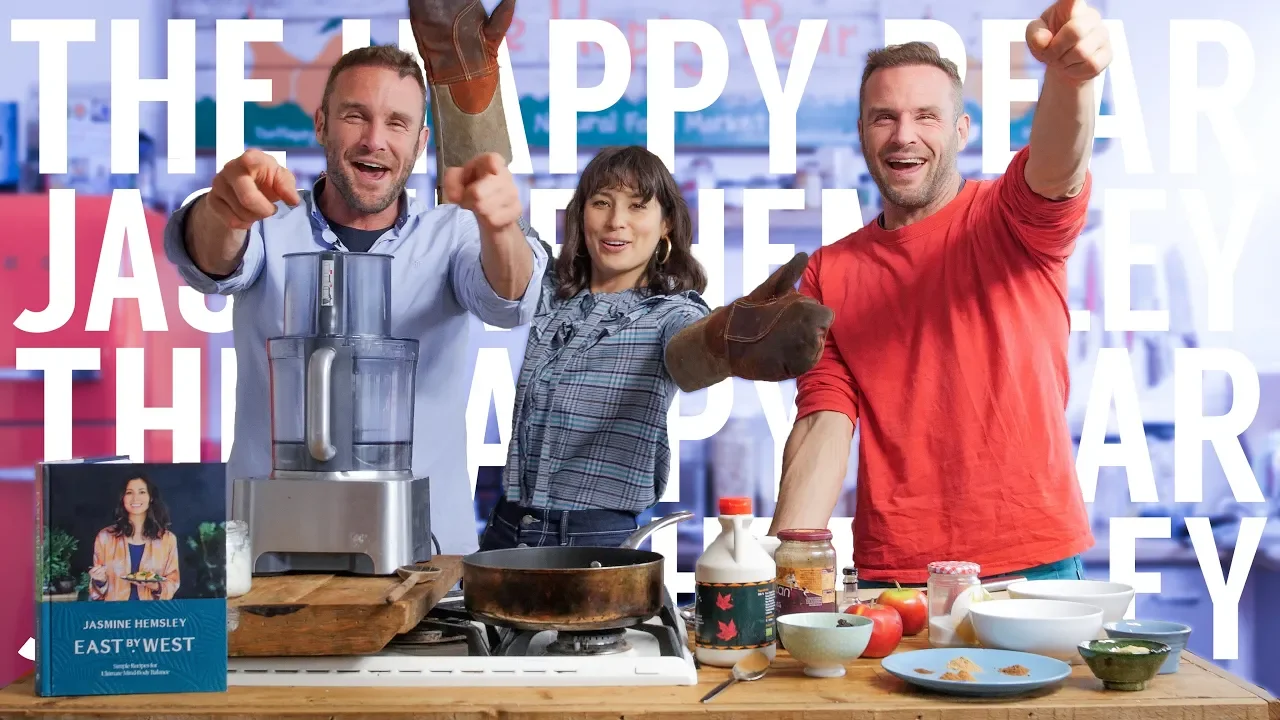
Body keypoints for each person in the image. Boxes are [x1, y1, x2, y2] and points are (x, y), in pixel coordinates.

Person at [768, 0, 1113, 587]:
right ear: (861, 132)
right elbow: (824, 418)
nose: (904, 135)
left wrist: (1071, 79)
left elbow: (1057, 168)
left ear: (961, 129)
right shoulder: (831, 269)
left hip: (1031, 564)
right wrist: (778, 570)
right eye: (884, 117)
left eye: (927, 115)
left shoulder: (1010, 218)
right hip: (896, 573)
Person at [162, 42, 546, 555]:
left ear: (420, 141)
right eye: (355, 116)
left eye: (397, 123)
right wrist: (222, 212)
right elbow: (211, 263)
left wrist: (501, 228)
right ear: (321, 124)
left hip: (424, 565)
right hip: (267, 562)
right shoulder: (269, 226)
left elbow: (510, 299)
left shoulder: (452, 236)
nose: (374, 140)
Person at [480, 146, 835, 550]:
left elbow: (690, 353)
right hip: (504, 534)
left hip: (597, 543)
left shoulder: (671, 313)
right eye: (601, 203)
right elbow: (507, 237)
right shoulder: (549, 290)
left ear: (666, 224)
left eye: (637, 207)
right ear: (582, 214)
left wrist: (729, 339)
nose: (617, 222)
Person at [88, 476, 180, 601]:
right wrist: (99, 581)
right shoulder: (105, 537)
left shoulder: (167, 539)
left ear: (151, 498)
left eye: (142, 492)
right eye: (129, 493)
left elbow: (173, 583)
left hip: (152, 616)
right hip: (115, 616)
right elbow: (97, 594)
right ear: (123, 498)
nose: (135, 498)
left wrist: (155, 585)